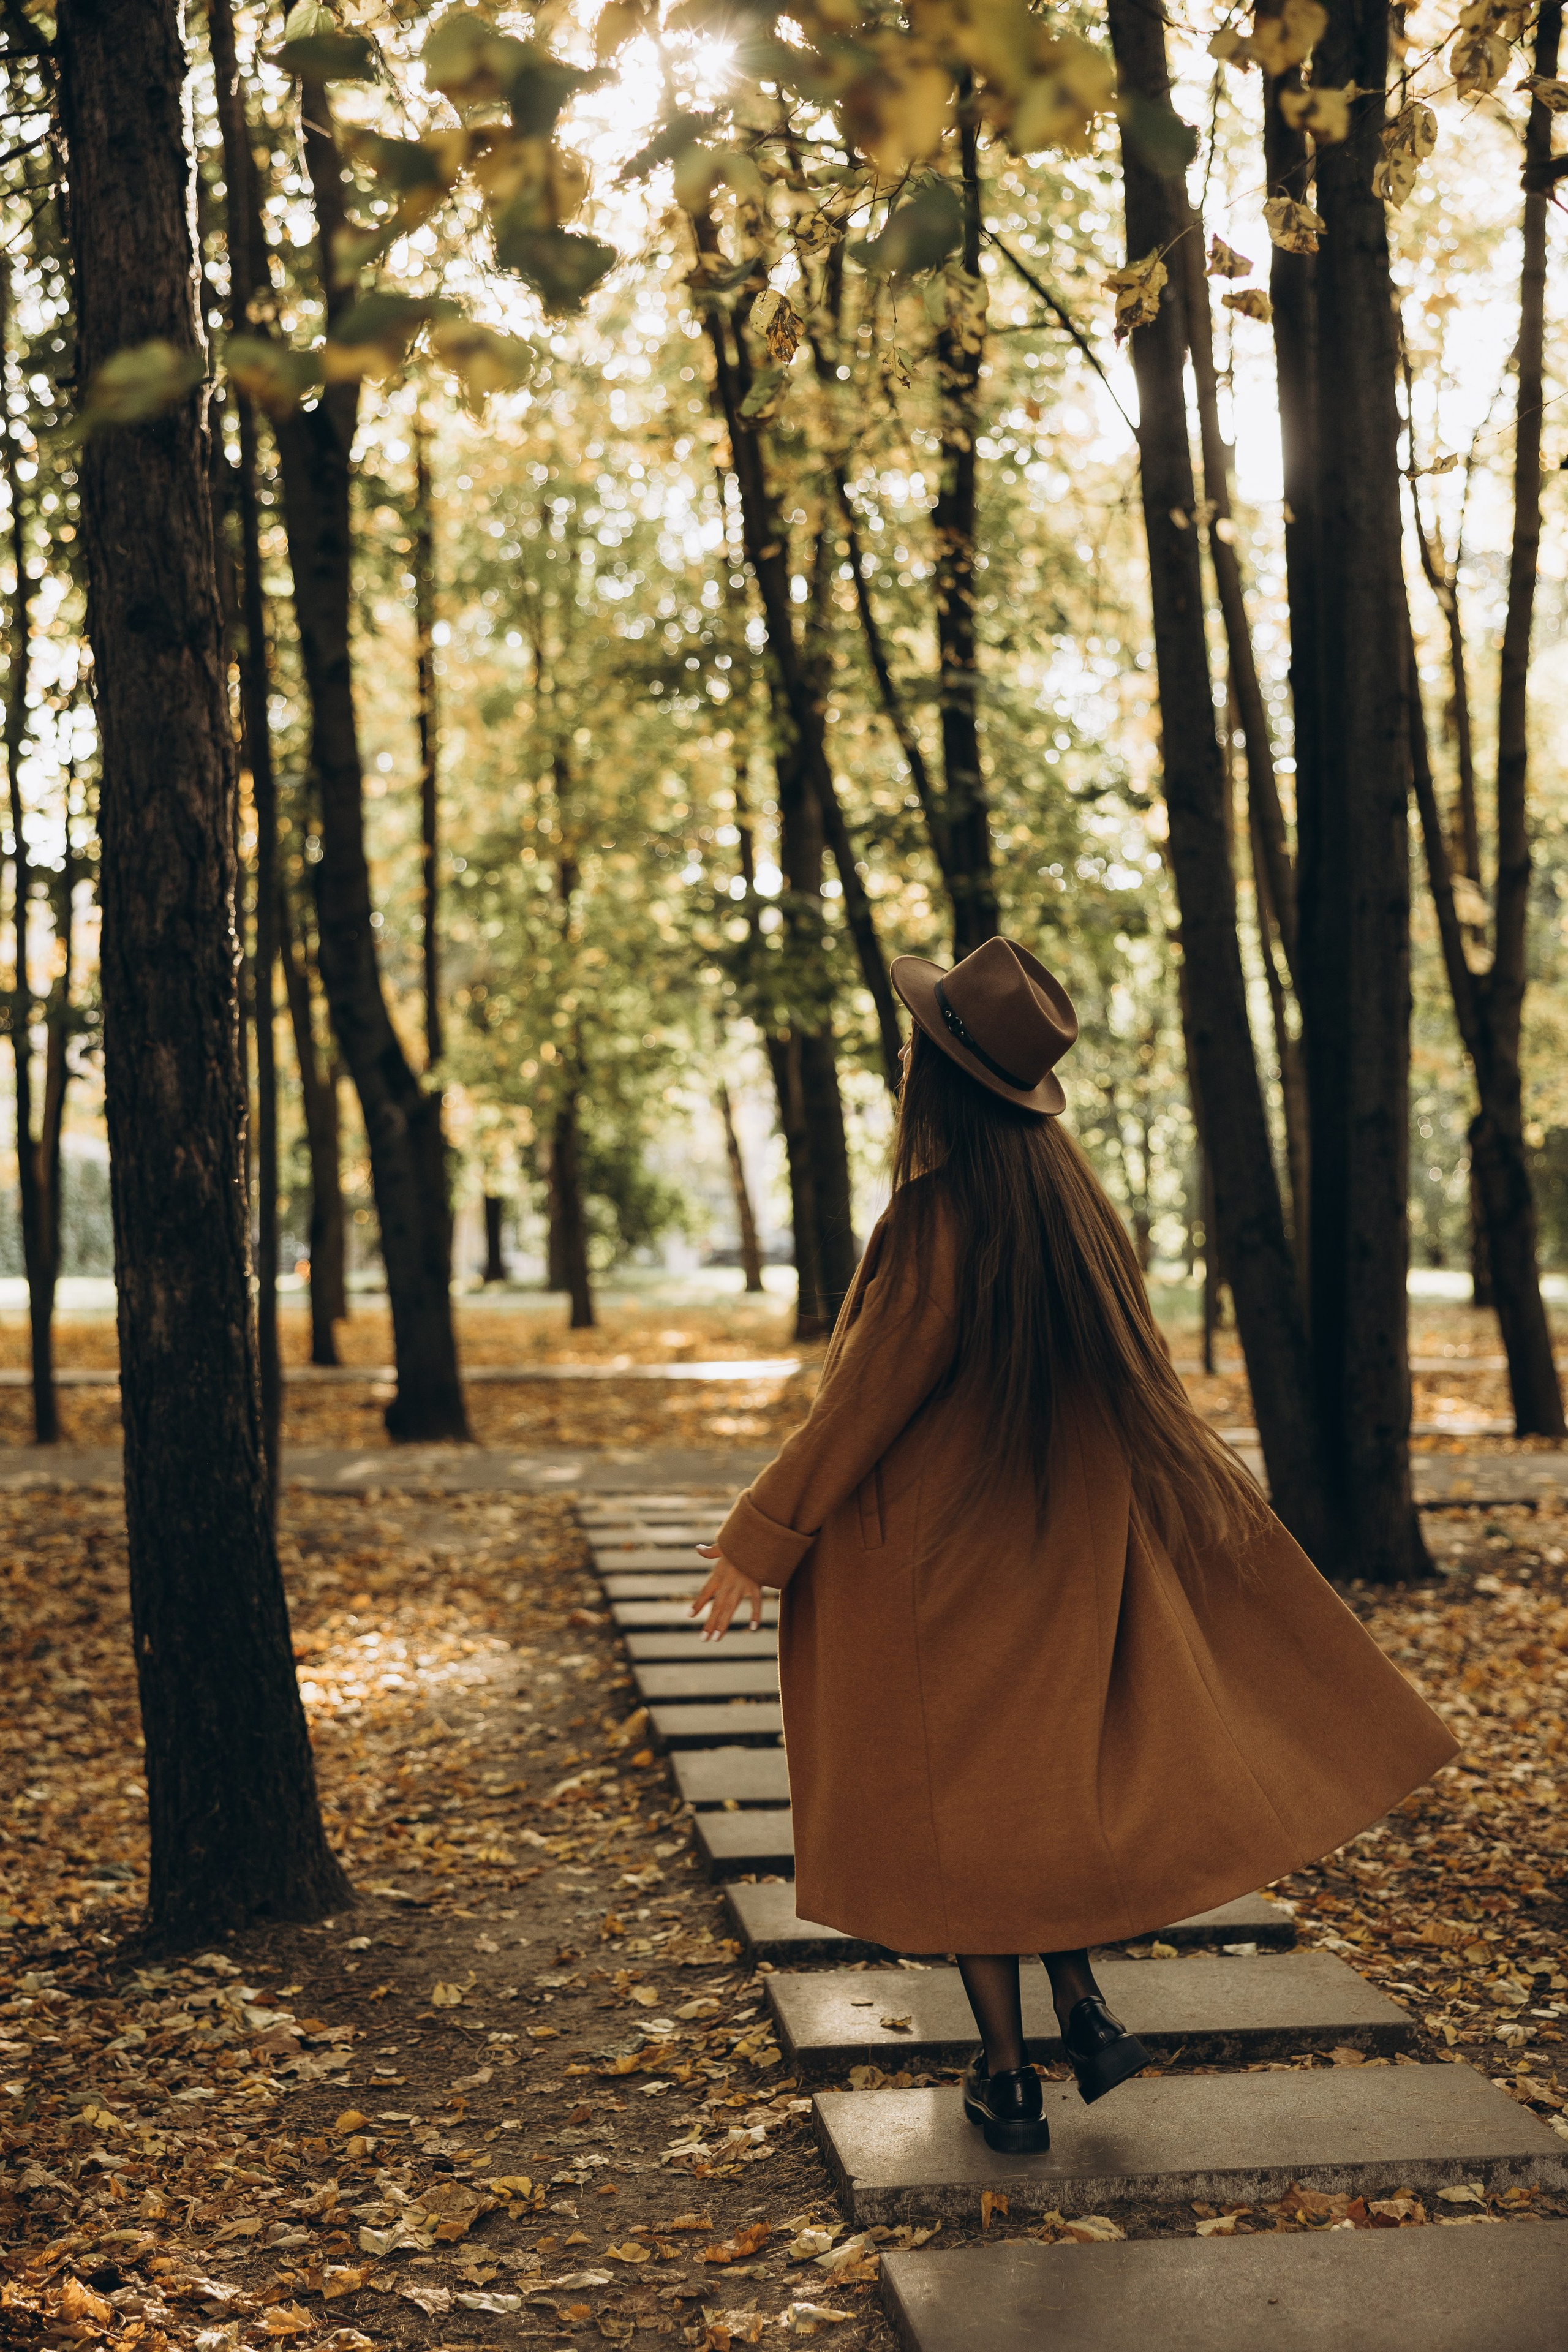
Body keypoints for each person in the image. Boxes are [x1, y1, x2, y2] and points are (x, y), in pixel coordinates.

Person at [692, 936, 1457, 2155]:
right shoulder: (1077, 1213)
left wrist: (759, 1539)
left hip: (945, 1568)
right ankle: (1083, 2003)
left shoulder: (936, 1224)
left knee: (967, 1822)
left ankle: (1006, 2077)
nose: (903, 1058)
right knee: (1035, 1792)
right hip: (1062, 1558)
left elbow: (863, 1402)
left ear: (937, 1079)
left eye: (917, 1045)